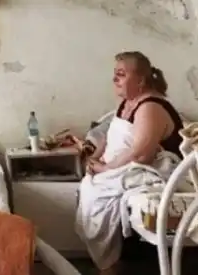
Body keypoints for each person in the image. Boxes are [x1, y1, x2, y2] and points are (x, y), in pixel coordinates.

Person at [76, 52, 183, 274]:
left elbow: (142, 155)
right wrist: (96, 157)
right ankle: (109, 263)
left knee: (97, 188)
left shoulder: (151, 107)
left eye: (121, 74)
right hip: (122, 167)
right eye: (115, 74)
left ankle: (111, 264)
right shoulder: (127, 103)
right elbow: (110, 138)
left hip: (154, 170)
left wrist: (105, 168)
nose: (114, 79)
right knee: (89, 186)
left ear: (141, 80)